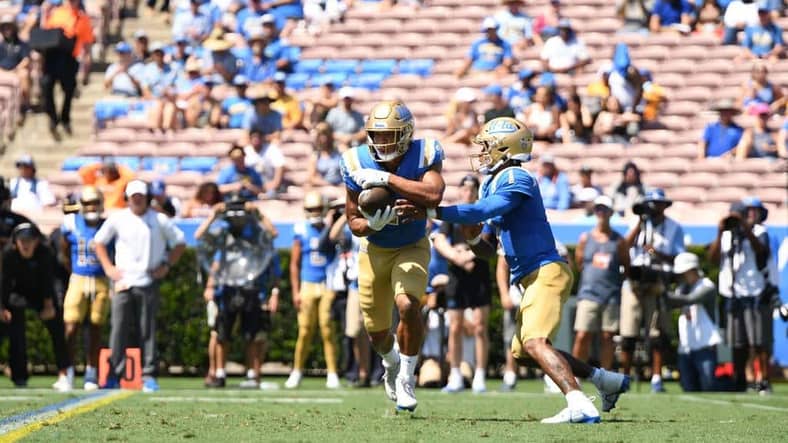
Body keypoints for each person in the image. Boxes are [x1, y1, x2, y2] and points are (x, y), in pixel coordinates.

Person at [404, 117, 629, 423]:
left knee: (535, 342)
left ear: (505, 147)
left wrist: (433, 210)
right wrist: (471, 236)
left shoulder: (516, 177)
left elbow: (483, 211)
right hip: (531, 276)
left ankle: (579, 402)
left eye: (487, 146)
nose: (482, 152)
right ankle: (603, 379)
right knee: (525, 350)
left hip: (546, 270)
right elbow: (486, 247)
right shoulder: (492, 182)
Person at [339, 100, 446, 412]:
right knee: (376, 331)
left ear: (406, 133)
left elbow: (433, 194)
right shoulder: (355, 161)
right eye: (378, 135)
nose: (383, 142)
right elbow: (353, 221)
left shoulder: (424, 153)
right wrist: (371, 223)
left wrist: (388, 180)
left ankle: (407, 378)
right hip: (374, 249)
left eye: (390, 135)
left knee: (408, 305)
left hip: (412, 243)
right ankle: (392, 365)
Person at [94, 180, 186, 392]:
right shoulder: (118, 218)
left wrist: (166, 265)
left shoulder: (160, 220)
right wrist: (109, 268)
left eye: (140, 196)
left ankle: (148, 375)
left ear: (146, 197)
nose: (137, 199)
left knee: (148, 330)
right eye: (133, 196)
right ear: (127, 198)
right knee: (118, 329)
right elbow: (99, 242)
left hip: (147, 280)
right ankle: (114, 375)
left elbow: (180, 243)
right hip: (123, 281)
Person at [195, 195, 279, 389]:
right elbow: (199, 237)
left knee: (252, 334)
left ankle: (251, 374)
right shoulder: (223, 232)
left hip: (250, 287)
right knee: (222, 334)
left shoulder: (255, 231)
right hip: (227, 288)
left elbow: (273, 233)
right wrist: (213, 215)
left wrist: (257, 213)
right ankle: (220, 373)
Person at [432, 175, 492, 393]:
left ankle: (480, 375)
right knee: (455, 326)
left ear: (477, 192)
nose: (467, 192)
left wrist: (467, 254)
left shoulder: (483, 213)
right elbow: (439, 240)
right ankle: (455, 375)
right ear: (459, 191)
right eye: (464, 188)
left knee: (480, 326)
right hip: (456, 276)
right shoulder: (454, 214)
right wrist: (457, 256)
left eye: (471, 189)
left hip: (479, 275)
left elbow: (488, 243)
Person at [621, 189, 685, 393]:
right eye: (650, 203)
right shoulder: (637, 224)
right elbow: (624, 247)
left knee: (657, 333)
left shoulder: (674, 227)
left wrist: (657, 254)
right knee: (628, 332)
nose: (653, 207)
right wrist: (640, 223)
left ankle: (656, 377)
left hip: (658, 279)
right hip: (634, 281)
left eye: (657, 203)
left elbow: (679, 258)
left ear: (664, 206)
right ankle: (625, 376)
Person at [1, 222, 72, 390]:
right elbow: (3, 282)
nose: (26, 244)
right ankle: (19, 376)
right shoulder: (8, 254)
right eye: (22, 240)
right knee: (14, 328)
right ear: (15, 242)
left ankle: (64, 372)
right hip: (17, 293)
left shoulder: (45, 253)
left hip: (42, 293)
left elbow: (48, 280)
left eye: (30, 240)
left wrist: (49, 305)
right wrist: (2, 307)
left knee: (56, 328)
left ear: (37, 241)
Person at [709, 201, 770, 392]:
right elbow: (712, 259)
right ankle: (740, 379)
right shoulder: (726, 236)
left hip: (753, 291)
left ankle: (763, 380)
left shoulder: (759, 232)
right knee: (736, 342)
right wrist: (720, 232)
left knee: (758, 340)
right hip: (731, 293)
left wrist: (744, 228)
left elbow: (761, 251)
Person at [285, 191, 340, 389]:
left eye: (317, 208)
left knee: (327, 329)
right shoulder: (300, 229)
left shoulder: (331, 227)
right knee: (305, 331)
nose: (314, 212)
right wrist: (295, 290)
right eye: (310, 209)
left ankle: (332, 373)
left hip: (327, 283)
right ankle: (297, 371)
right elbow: (294, 263)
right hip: (307, 284)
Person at [571, 196, 629, 370]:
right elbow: (579, 263)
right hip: (588, 294)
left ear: (611, 212)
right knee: (582, 335)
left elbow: (626, 265)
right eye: (598, 209)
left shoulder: (619, 241)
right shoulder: (585, 238)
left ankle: (605, 376)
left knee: (607, 337)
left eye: (604, 209)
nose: (601, 213)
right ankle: (575, 375)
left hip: (610, 295)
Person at [60, 186, 108, 391]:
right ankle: (66, 372)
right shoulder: (71, 222)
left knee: (95, 328)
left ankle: (91, 373)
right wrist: (74, 272)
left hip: (100, 279)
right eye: (87, 203)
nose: (91, 207)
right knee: (70, 326)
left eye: (95, 202)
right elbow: (63, 252)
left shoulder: (108, 225)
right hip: (78, 277)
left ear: (101, 204)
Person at [666, 252, 722, 392]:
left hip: (705, 346)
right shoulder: (682, 288)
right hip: (686, 346)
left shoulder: (707, 286)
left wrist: (662, 293)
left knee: (708, 385)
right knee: (688, 387)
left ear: (692, 270)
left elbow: (690, 299)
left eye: (683, 272)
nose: (681, 276)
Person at [41, 0, 94, 138]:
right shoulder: (56, 13)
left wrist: (86, 68)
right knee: (46, 85)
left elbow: (87, 45)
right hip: (52, 56)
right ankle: (53, 117)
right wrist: (44, 14)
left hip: (69, 58)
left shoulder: (83, 18)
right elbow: (45, 34)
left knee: (69, 90)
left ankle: (65, 118)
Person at [0, 14, 31, 114]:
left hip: (17, 70)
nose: (7, 30)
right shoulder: (1, 45)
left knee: (24, 74)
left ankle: (24, 104)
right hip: (2, 71)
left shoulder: (21, 44)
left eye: (9, 27)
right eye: (4, 28)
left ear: (14, 28)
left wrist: (16, 69)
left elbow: (26, 59)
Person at [307, 122, 343, 188]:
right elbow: (312, 178)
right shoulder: (315, 156)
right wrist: (329, 184)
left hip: (340, 187)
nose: (324, 139)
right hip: (323, 188)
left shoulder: (340, 152)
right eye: (321, 135)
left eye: (326, 135)